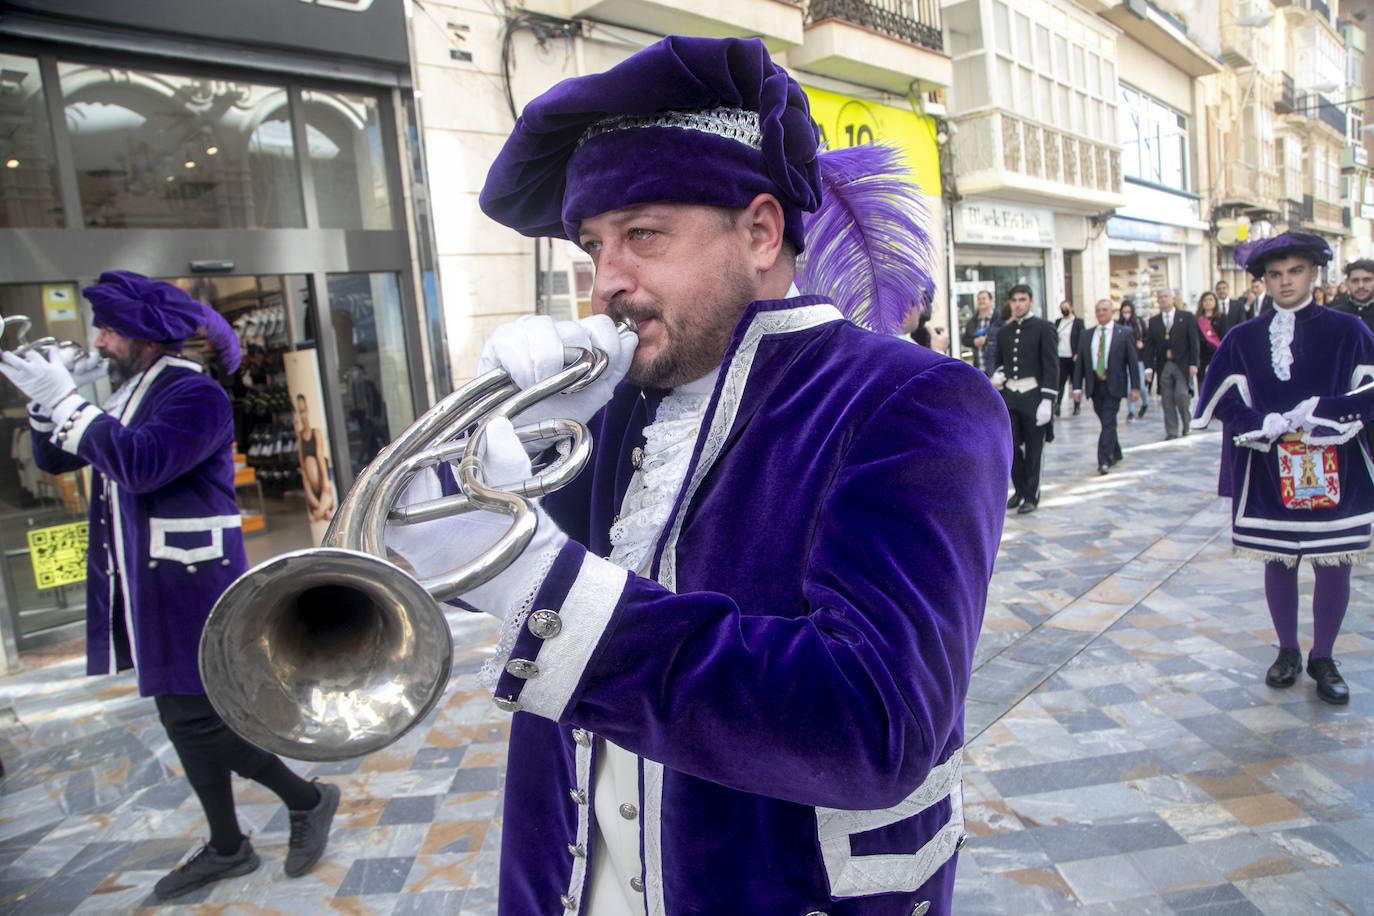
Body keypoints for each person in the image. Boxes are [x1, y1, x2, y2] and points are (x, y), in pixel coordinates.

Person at [393, 36, 1011, 916]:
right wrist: (494, 467)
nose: (607, 282)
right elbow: (492, 580)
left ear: (761, 231)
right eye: (592, 247)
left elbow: (876, 724)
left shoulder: (919, 399)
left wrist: (532, 580)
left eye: (642, 235)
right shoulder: (610, 403)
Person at [0, 271, 340, 899]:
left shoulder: (195, 395)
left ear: (144, 336)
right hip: (151, 585)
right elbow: (55, 461)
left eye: (108, 329)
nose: (98, 341)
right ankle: (229, 844)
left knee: (196, 719)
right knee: (181, 713)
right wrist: (47, 399)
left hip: (191, 586)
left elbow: (139, 463)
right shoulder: (133, 392)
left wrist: (73, 404)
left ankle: (304, 799)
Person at [1194, 232, 1374, 705]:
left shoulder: (1349, 331)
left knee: (1332, 564)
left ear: (1314, 273)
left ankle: (1325, 656)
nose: (1285, 282)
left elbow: (1370, 392)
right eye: (1275, 274)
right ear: (1264, 281)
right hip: (1269, 470)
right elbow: (1219, 400)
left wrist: (1326, 410)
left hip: (1336, 468)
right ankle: (1289, 651)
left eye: (1294, 271)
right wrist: (1260, 422)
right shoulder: (1242, 337)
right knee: (1279, 559)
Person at [993, 284, 1058, 515]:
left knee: (1033, 449)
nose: (1018, 304)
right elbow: (1000, 361)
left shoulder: (1043, 328)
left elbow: (1051, 366)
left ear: (1030, 301)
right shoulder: (1004, 332)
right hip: (1011, 395)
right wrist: (1000, 373)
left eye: (1022, 300)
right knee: (1010, 446)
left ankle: (1031, 495)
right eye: (1014, 300)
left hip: (1034, 395)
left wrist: (1048, 400)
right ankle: (1019, 490)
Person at [1073, 298, 1140, 474]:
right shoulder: (1087, 335)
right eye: (1098, 310)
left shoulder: (1123, 333)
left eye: (1104, 310)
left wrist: (1135, 387)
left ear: (1112, 312)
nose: (1101, 313)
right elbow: (1080, 363)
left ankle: (1104, 459)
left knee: (1109, 420)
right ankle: (1116, 451)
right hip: (1095, 385)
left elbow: (1132, 362)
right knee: (1105, 421)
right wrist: (1077, 388)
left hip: (1114, 384)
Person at [1143, 287, 1200, 439]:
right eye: (1160, 297)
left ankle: (1187, 424)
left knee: (1181, 395)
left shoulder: (1186, 317)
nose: (1163, 299)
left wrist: (1194, 363)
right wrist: (1148, 368)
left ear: (1172, 298)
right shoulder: (1154, 321)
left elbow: (1193, 342)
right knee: (1166, 399)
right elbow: (1149, 346)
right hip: (1164, 365)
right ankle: (1172, 431)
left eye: (1166, 296)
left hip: (1182, 363)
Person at [294, 392, 335, 523]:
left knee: (316, 461)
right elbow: (302, 464)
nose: (303, 416)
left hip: (322, 478)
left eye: (304, 411)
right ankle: (323, 511)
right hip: (312, 486)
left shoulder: (315, 432)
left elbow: (319, 455)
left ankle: (321, 512)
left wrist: (326, 482)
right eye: (300, 412)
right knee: (307, 462)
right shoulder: (300, 436)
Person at [1118, 300, 1149, 423]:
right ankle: (1130, 412)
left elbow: (1147, 337)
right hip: (1124, 360)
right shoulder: (1119, 324)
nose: (1126, 314)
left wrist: (1142, 344)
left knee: (1140, 385)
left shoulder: (1139, 322)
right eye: (1124, 312)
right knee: (1129, 386)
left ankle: (1145, 403)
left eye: (1128, 312)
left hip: (1138, 358)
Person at [961, 289, 1002, 376]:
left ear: (991, 300)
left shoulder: (999, 319)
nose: (981, 301)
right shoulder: (972, 321)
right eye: (979, 299)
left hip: (996, 369)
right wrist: (974, 342)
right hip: (979, 367)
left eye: (984, 299)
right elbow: (964, 340)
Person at [1054, 299, 1083, 416]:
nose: (1064, 310)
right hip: (1061, 356)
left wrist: (1078, 353)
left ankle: (1077, 406)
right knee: (1060, 383)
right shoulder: (1058, 322)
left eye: (1066, 307)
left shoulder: (1078, 322)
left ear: (1071, 308)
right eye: (1062, 308)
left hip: (1073, 357)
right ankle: (1058, 405)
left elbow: (1082, 338)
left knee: (1076, 382)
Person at [1332, 257, 1374, 331]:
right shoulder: (1335, 315)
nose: (1361, 286)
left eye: (1367, 280)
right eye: (1355, 281)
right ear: (1347, 283)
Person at [1195, 290, 1224, 381]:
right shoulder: (1196, 319)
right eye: (1205, 300)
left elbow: (1224, 336)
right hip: (1202, 356)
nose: (1208, 302)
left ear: (1215, 302)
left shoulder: (1222, 317)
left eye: (1211, 300)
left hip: (1217, 354)